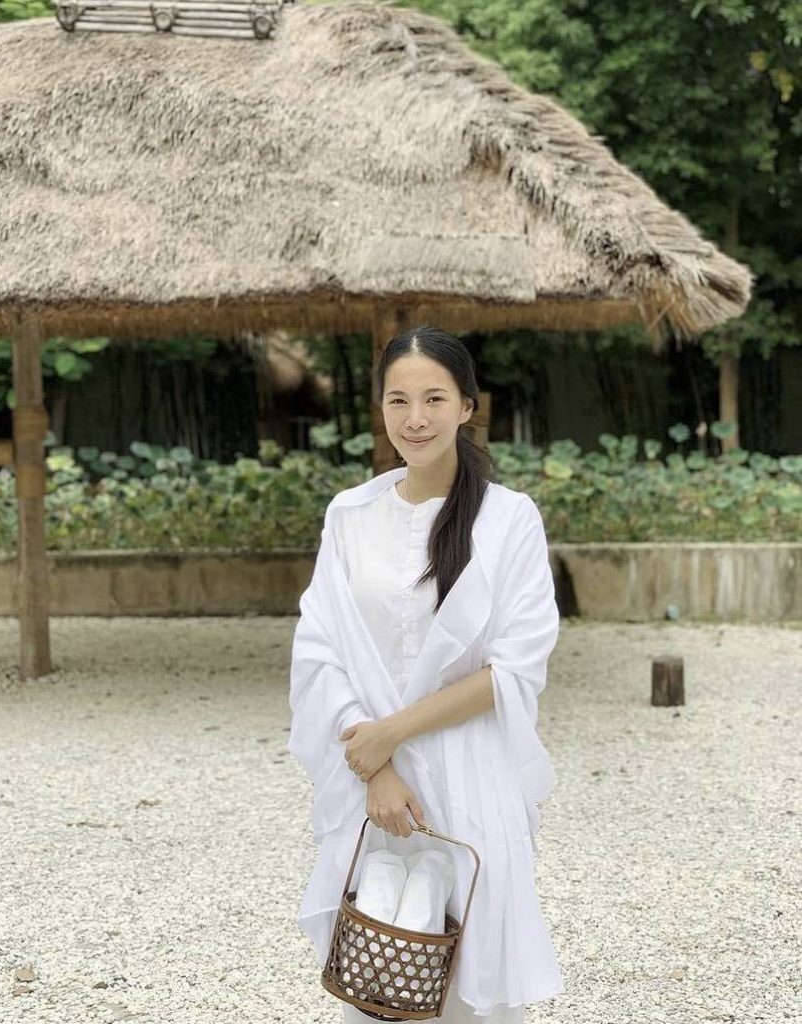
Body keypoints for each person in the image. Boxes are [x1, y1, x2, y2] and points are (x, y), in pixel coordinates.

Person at [288, 325, 564, 1022]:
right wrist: (375, 766)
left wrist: (392, 734)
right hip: (373, 783)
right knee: (379, 970)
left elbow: (514, 668)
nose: (416, 418)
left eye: (435, 399)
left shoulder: (509, 520)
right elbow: (320, 649)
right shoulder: (350, 515)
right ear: (380, 407)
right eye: (399, 400)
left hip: (472, 773)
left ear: (467, 406)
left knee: (469, 978)